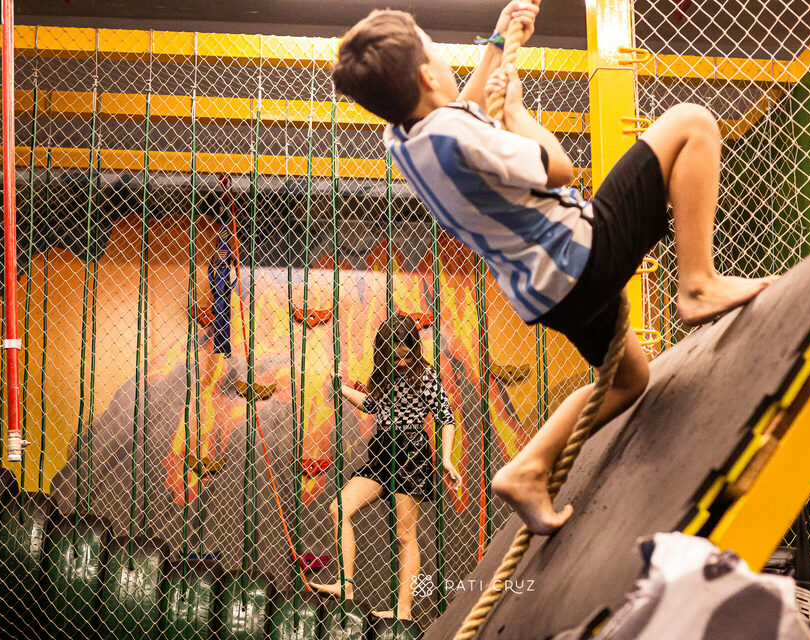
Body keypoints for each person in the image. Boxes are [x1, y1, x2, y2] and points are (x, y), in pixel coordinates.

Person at [331, 2, 776, 536]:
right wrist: (518, 115)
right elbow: (560, 168)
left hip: (549, 296)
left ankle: (528, 467)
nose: (445, 63)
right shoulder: (465, 136)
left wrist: (499, 41)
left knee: (630, 380)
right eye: (435, 52)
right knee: (692, 123)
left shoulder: (405, 139)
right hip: (583, 256)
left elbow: (457, 108)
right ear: (428, 75)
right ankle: (698, 283)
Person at [310, 314, 461, 621]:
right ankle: (345, 585)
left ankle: (403, 609)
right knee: (339, 508)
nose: (402, 362)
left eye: (407, 355)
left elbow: (446, 417)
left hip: (411, 454)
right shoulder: (383, 374)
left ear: (415, 349)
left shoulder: (426, 376)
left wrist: (446, 458)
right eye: (396, 356)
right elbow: (372, 406)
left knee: (405, 534)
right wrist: (341, 388)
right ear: (385, 353)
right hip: (381, 451)